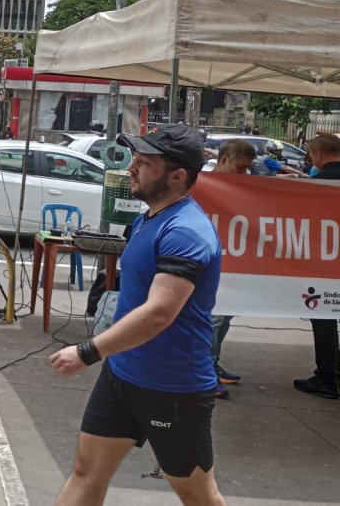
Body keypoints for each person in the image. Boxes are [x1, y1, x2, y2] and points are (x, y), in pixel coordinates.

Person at [49, 124, 226, 506]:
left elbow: (158, 314)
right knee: (87, 472)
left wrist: (87, 352)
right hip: (121, 375)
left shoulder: (187, 232)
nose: (131, 168)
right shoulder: (148, 218)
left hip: (172, 388)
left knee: (199, 495)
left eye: (145, 163)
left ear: (177, 176)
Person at [207, 138, 256, 400]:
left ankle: (211, 364)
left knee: (225, 318)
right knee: (214, 319)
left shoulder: (244, 188)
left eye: (247, 169)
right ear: (224, 160)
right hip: (212, 263)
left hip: (235, 264)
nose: (243, 174)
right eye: (239, 167)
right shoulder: (202, 185)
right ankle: (207, 372)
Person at [293, 133, 340, 400]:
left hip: (326, 262)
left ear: (318, 155)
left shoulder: (316, 184)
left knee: (324, 317)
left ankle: (326, 377)